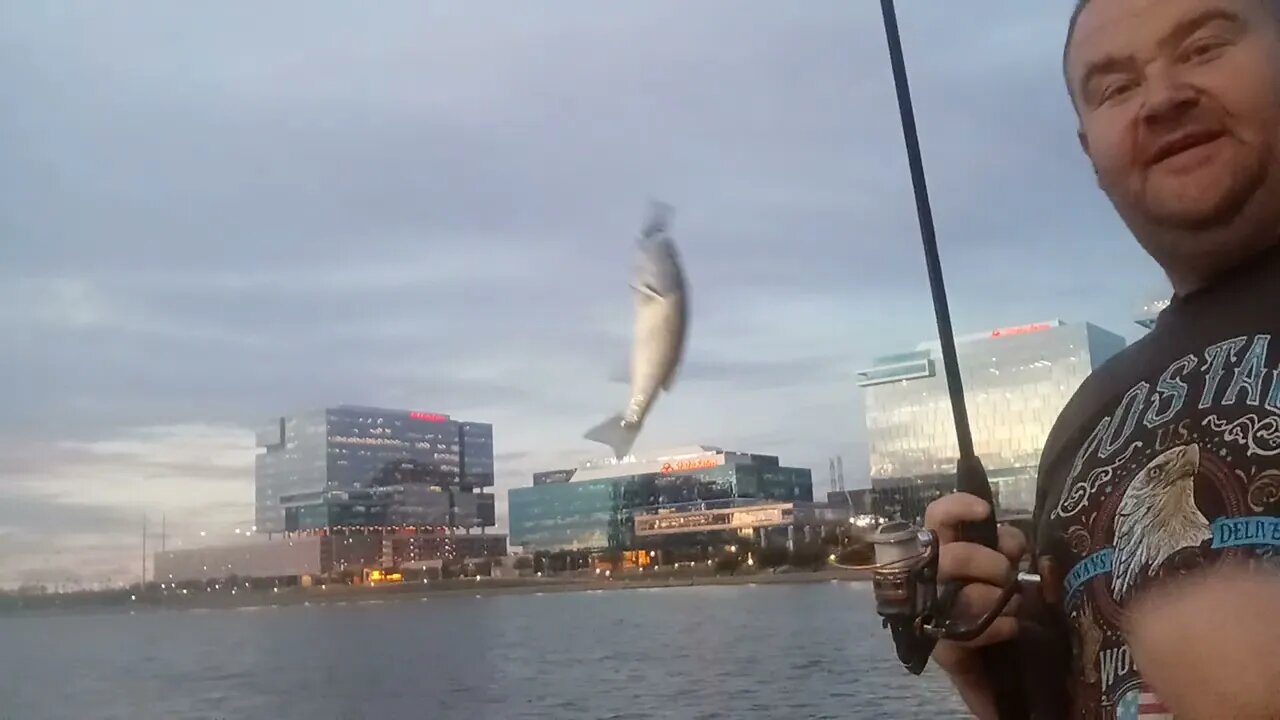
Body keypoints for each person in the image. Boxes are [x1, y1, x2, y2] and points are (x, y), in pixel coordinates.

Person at [925, 0, 1280, 717]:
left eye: (1204, 47)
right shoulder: (1087, 417)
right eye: (1116, 88)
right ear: (1091, 152)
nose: (1163, 98)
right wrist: (988, 682)